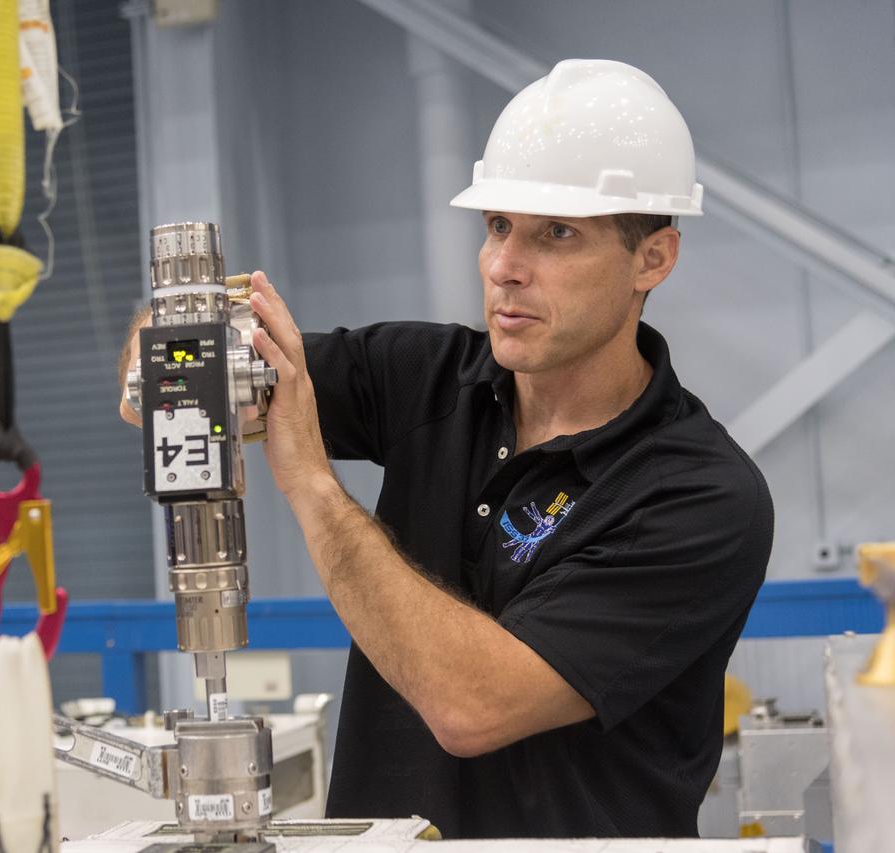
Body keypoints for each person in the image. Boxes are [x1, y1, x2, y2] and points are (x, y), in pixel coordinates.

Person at [120, 59, 772, 839]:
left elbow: (473, 706)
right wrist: (188, 337)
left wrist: (313, 487)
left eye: (555, 234)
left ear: (653, 258)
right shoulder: (429, 377)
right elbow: (150, 369)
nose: (504, 267)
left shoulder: (697, 495)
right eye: (497, 226)